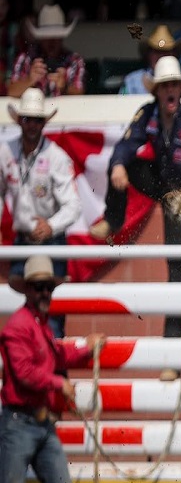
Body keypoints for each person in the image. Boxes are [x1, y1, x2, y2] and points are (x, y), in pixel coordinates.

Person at [89, 56, 181, 346]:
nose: (170, 90)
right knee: (123, 164)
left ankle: (173, 342)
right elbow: (125, 145)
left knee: (177, 269)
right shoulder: (147, 114)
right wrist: (118, 165)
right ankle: (114, 218)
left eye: (174, 85)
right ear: (156, 91)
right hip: (161, 186)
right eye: (164, 86)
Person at [0, 254, 107, 483]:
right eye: (39, 287)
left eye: (48, 287)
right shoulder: (18, 327)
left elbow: (57, 355)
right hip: (19, 423)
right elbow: (24, 373)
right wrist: (59, 383)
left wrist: (85, 347)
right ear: (27, 290)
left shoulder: (38, 326)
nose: (45, 292)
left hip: (38, 424)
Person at [1, 89, 81, 339]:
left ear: (44, 122)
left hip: (50, 239)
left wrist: (51, 225)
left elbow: (74, 205)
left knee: (50, 310)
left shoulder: (56, 157)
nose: (32, 125)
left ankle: (52, 364)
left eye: (37, 120)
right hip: (24, 238)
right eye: (28, 119)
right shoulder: (6, 152)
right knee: (24, 304)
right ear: (19, 121)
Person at [8, 4, 84, 98]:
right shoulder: (26, 58)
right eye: (47, 37)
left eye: (55, 37)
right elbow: (11, 91)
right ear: (40, 38)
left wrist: (65, 86)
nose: (51, 42)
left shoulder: (74, 60)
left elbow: (80, 93)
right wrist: (30, 80)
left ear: (61, 38)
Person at [119, 24, 181, 95]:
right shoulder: (132, 81)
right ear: (148, 54)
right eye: (157, 51)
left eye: (166, 52)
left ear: (174, 55)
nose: (161, 56)